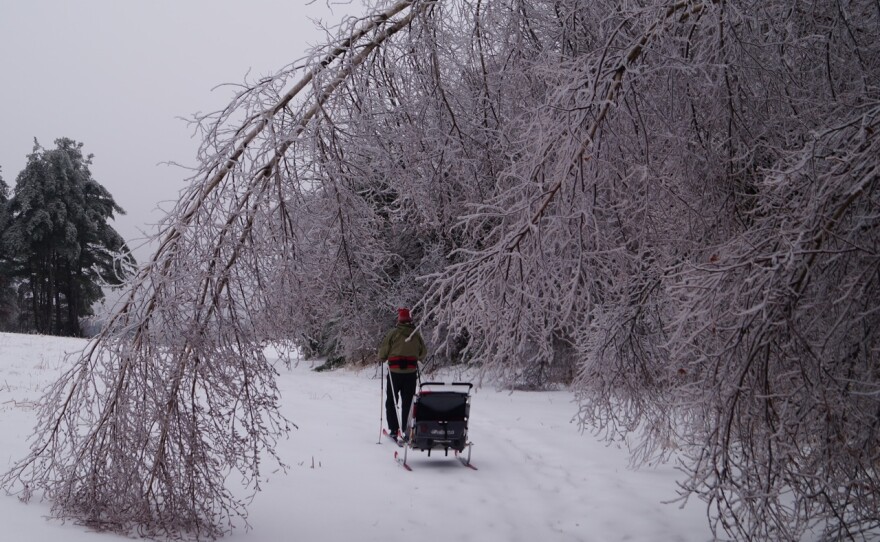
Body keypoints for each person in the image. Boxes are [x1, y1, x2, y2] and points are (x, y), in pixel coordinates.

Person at [378, 307, 427, 441]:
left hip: (394, 373)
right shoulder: (415, 335)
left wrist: (383, 358)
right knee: (408, 402)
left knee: (392, 401)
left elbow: (383, 352)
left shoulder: (393, 334)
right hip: (410, 373)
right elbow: (423, 352)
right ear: (410, 320)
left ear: (399, 319)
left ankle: (394, 429)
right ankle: (406, 429)